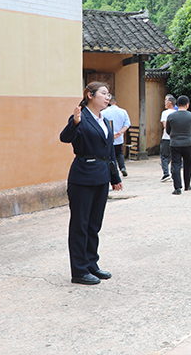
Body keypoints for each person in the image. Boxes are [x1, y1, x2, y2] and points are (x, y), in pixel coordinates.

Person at [59, 82, 123, 285]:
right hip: (83, 177)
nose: (107, 97)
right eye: (103, 93)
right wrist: (74, 123)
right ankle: (79, 270)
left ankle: (91, 264)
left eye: (108, 93)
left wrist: (115, 177)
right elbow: (65, 138)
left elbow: (109, 151)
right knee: (80, 225)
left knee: (94, 224)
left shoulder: (105, 120)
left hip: (101, 177)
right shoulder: (80, 117)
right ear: (90, 95)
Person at [166, 96, 191, 195]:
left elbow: (168, 130)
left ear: (177, 104)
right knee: (187, 164)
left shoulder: (171, 116)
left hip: (174, 144)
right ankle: (187, 185)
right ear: (187, 105)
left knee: (175, 164)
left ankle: (177, 188)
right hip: (188, 143)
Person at [102, 96, 131, 177]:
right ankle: (122, 167)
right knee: (119, 153)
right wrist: (120, 132)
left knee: (110, 155)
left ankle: (114, 170)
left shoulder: (104, 112)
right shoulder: (123, 111)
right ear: (115, 102)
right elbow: (127, 124)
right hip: (119, 137)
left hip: (108, 137)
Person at [159, 94, 176, 182]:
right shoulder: (176, 113)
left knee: (164, 156)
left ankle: (166, 174)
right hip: (175, 138)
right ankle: (174, 174)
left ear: (169, 103)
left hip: (166, 137)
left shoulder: (165, 113)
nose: (165, 103)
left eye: (166, 101)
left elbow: (165, 126)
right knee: (173, 157)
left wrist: (169, 134)